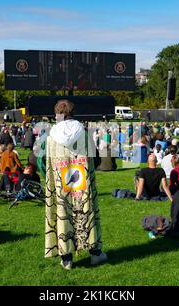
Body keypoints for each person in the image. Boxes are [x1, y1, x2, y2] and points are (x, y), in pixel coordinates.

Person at [43, 99, 106, 270]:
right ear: (73, 112)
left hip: (60, 183)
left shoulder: (50, 137)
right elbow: (95, 158)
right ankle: (95, 254)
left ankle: (67, 259)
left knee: (63, 215)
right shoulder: (84, 134)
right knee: (88, 212)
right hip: (82, 182)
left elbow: (45, 163)